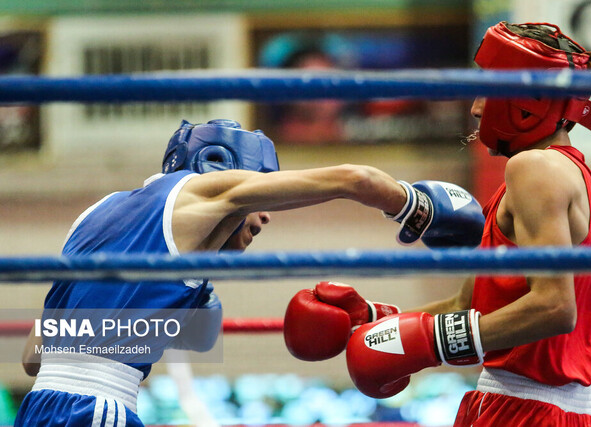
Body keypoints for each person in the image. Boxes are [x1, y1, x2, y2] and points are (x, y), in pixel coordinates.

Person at [16, 118, 484, 426]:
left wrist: (186, 307)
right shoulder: (201, 191)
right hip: (98, 409)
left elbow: (35, 356)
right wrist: (415, 207)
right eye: (260, 197)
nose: (265, 215)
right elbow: (354, 179)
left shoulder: (97, 213)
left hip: (37, 407)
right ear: (219, 168)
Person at [284, 21, 591, 426]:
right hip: (541, 405)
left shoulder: (535, 168)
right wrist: (374, 322)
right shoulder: (575, 178)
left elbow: (554, 307)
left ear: (526, 102)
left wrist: (433, 345)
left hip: (527, 407)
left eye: (487, 91)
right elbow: (470, 304)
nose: (477, 108)